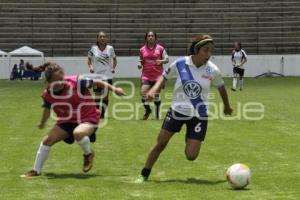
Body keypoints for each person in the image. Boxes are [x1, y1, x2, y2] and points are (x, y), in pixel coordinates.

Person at [135, 34, 233, 182]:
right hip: (177, 111)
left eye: (211, 51)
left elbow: (221, 87)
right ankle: (144, 173)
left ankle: (190, 136)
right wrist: (155, 89)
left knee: (191, 156)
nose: (209, 54)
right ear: (196, 49)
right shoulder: (180, 63)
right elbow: (164, 76)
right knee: (160, 144)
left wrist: (227, 106)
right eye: (206, 50)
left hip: (199, 114)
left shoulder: (213, 70)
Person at [21, 62, 125, 178]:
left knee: (78, 133)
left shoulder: (77, 81)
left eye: (62, 78)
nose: (61, 82)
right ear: (49, 82)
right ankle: (36, 170)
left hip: (88, 118)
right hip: (66, 122)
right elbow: (46, 109)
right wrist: (42, 123)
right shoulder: (47, 95)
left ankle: (88, 154)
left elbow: (98, 82)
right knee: (46, 141)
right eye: (57, 81)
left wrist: (114, 89)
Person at [138, 31, 169, 120]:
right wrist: (140, 65)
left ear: (155, 38)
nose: (150, 37)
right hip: (146, 76)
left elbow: (167, 59)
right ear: (146, 38)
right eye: (149, 36)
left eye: (152, 36)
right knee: (143, 94)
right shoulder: (142, 49)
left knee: (156, 96)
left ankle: (157, 116)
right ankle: (148, 110)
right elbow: (141, 60)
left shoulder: (160, 48)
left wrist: (161, 61)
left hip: (158, 77)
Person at [88, 31, 117, 118]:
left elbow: (115, 59)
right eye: (100, 37)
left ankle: (103, 114)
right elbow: (89, 60)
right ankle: (96, 113)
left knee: (105, 96)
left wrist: (113, 68)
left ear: (106, 38)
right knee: (97, 96)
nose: (102, 38)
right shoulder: (93, 49)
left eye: (104, 37)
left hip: (107, 76)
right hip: (96, 76)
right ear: (97, 38)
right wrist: (91, 67)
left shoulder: (110, 48)